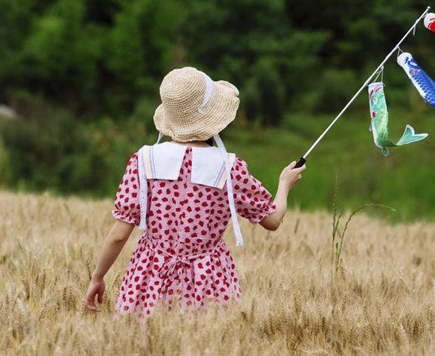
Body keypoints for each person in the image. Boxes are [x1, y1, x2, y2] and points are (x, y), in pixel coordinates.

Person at [85, 67, 305, 318]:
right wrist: (284, 185)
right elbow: (273, 220)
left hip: (149, 277)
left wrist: (98, 277)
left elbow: (118, 235)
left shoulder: (143, 160)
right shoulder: (229, 167)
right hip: (209, 280)